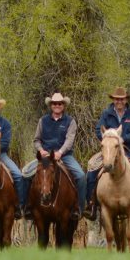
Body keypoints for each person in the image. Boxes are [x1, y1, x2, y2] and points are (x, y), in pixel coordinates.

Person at [86, 87, 130, 216]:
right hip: (109, 150)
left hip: (127, 150)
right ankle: (90, 203)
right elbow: (99, 129)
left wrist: (123, 139)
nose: (119, 101)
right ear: (113, 100)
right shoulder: (106, 114)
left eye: (122, 99)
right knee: (92, 170)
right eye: (117, 99)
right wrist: (109, 139)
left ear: (126, 99)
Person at [21, 92, 87, 220]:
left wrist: (60, 152)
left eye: (60, 103)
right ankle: (26, 206)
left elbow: (69, 140)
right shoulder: (43, 121)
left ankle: (79, 208)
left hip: (65, 156)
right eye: (55, 103)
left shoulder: (70, 121)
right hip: (46, 157)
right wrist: (40, 150)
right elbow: (36, 140)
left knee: (81, 176)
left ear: (63, 105)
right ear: (51, 105)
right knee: (25, 175)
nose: (57, 105)